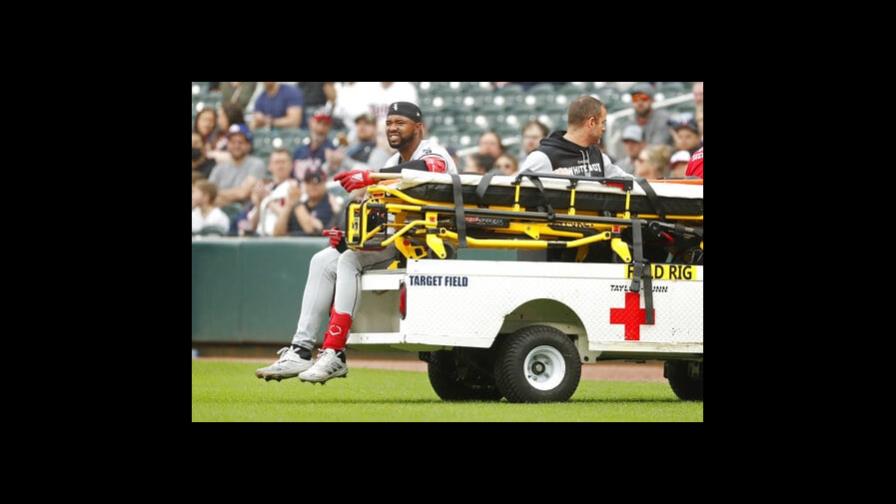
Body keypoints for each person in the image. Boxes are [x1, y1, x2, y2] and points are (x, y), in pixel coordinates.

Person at [255, 102, 457, 384]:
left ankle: (334, 351)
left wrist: (372, 177)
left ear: (418, 127)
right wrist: (349, 238)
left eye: (400, 122)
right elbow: (379, 212)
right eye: (389, 122)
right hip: (395, 241)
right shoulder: (390, 164)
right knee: (323, 259)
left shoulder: (433, 151)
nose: (392, 127)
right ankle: (301, 349)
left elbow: (426, 169)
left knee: (350, 260)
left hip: (426, 246)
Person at [520, 95, 633, 179]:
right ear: (592, 122)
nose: (604, 128)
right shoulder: (543, 157)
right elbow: (517, 192)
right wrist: (552, 183)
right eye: (602, 123)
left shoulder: (599, 157)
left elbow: (630, 183)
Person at [272, 167, 337, 237]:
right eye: (308, 181)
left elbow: (312, 230)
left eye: (317, 181)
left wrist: (297, 203)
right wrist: (288, 205)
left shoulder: (330, 204)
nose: (312, 185)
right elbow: (277, 233)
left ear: (324, 183)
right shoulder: (299, 204)